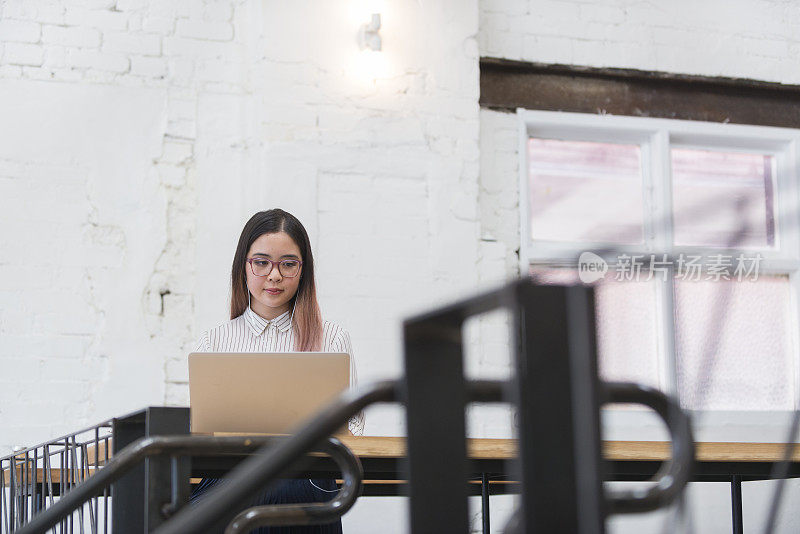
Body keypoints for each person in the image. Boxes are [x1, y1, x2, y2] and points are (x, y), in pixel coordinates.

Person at [191, 208, 364, 534]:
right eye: (261, 262)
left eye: (288, 264)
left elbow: (353, 426)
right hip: (229, 475)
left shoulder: (332, 337)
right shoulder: (214, 339)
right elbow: (202, 430)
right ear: (243, 266)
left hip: (308, 474)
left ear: (303, 270)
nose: (274, 275)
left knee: (270, 497)